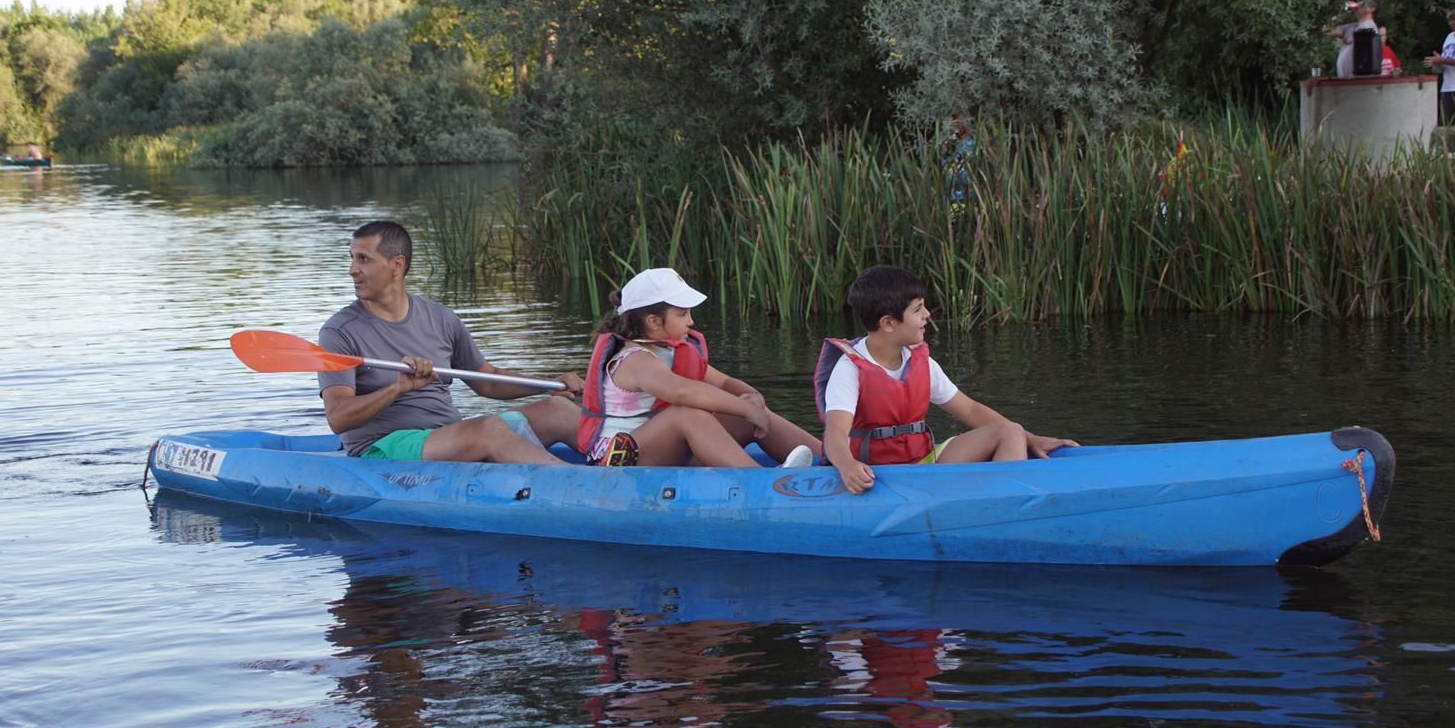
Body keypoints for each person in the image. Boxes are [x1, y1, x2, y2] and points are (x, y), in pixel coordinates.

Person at [317, 220, 586, 464]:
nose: (352, 270)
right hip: (385, 446)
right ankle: (580, 487)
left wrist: (550, 384)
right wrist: (397, 389)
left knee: (559, 410)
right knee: (489, 429)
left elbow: (487, 379)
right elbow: (338, 418)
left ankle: (624, 469)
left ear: (396, 265)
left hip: (448, 436)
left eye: (363, 259)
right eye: (352, 258)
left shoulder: (441, 318)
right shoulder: (339, 332)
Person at [815, 266, 1077, 496]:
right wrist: (848, 467)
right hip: (877, 474)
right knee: (1012, 432)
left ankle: (1008, 502)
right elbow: (835, 433)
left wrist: (1030, 438)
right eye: (918, 309)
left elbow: (970, 409)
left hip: (922, 463)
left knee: (1010, 431)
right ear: (888, 323)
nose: (927, 314)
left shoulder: (921, 362)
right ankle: (1006, 505)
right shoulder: (849, 369)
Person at [578, 267, 817, 468]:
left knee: (748, 409)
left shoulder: (671, 350)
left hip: (664, 449)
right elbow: (683, 392)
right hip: (620, 459)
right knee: (687, 413)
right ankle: (764, 483)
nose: (691, 321)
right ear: (653, 321)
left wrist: (753, 399)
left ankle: (827, 460)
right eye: (683, 314)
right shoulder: (634, 360)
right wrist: (745, 408)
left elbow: (723, 382)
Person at [1322, 0, 1378, 77]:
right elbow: (1327, 31)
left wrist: (1349, 37)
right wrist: (1341, 13)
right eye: (1360, 2)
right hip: (1344, 80)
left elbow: (1352, 39)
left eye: (1364, 3)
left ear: (1372, 9)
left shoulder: (1371, 27)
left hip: (1359, 80)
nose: (1360, 4)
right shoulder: (1351, 26)